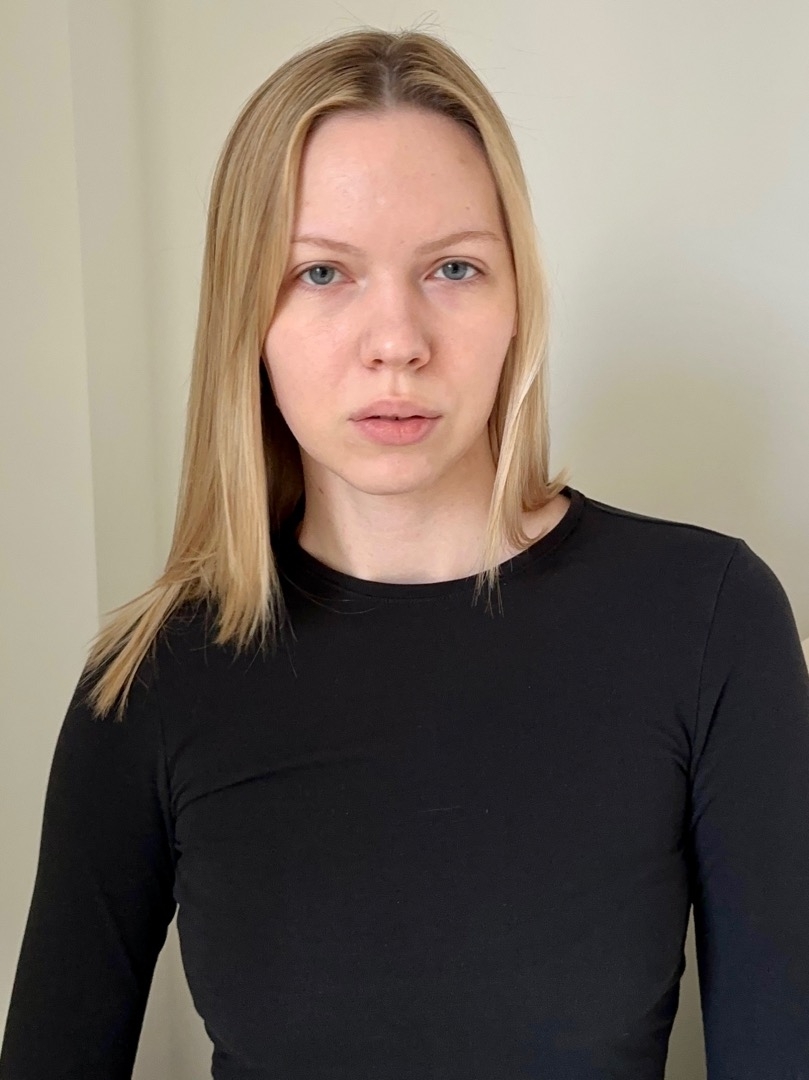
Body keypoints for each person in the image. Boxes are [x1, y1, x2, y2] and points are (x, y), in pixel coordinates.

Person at [1, 26, 808, 1080]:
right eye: (322, 272)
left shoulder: (704, 620)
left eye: (453, 268)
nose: (397, 342)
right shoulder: (150, 678)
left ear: (518, 303)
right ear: (246, 316)